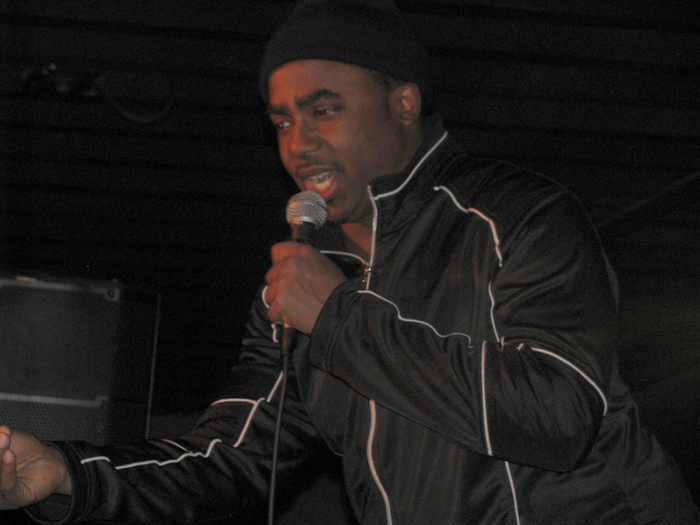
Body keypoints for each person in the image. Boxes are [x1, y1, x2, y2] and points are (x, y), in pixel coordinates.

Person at [1, 0, 699, 523]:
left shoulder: (516, 215)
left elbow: (558, 414)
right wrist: (66, 472)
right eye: (281, 120)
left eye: (324, 110)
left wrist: (338, 319)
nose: (297, 141)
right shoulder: (304, 281)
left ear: (403, 103)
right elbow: (231, 454)